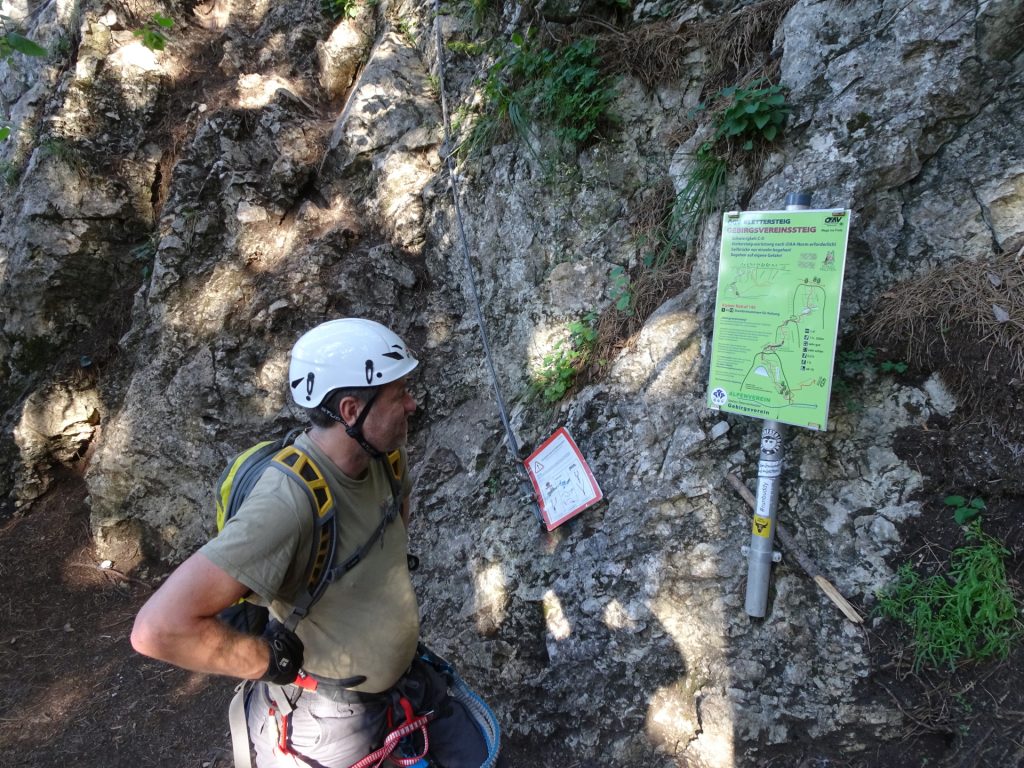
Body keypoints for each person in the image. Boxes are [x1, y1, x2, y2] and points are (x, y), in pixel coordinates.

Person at [131, 318, 498, 768]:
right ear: (350, 411)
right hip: (334, 717)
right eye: (399, 393)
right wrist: (269, 661)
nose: (413, 403)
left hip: (405, 684)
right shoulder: (287, 502)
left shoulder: (386, 458)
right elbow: (159, 628)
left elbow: (389, 548)